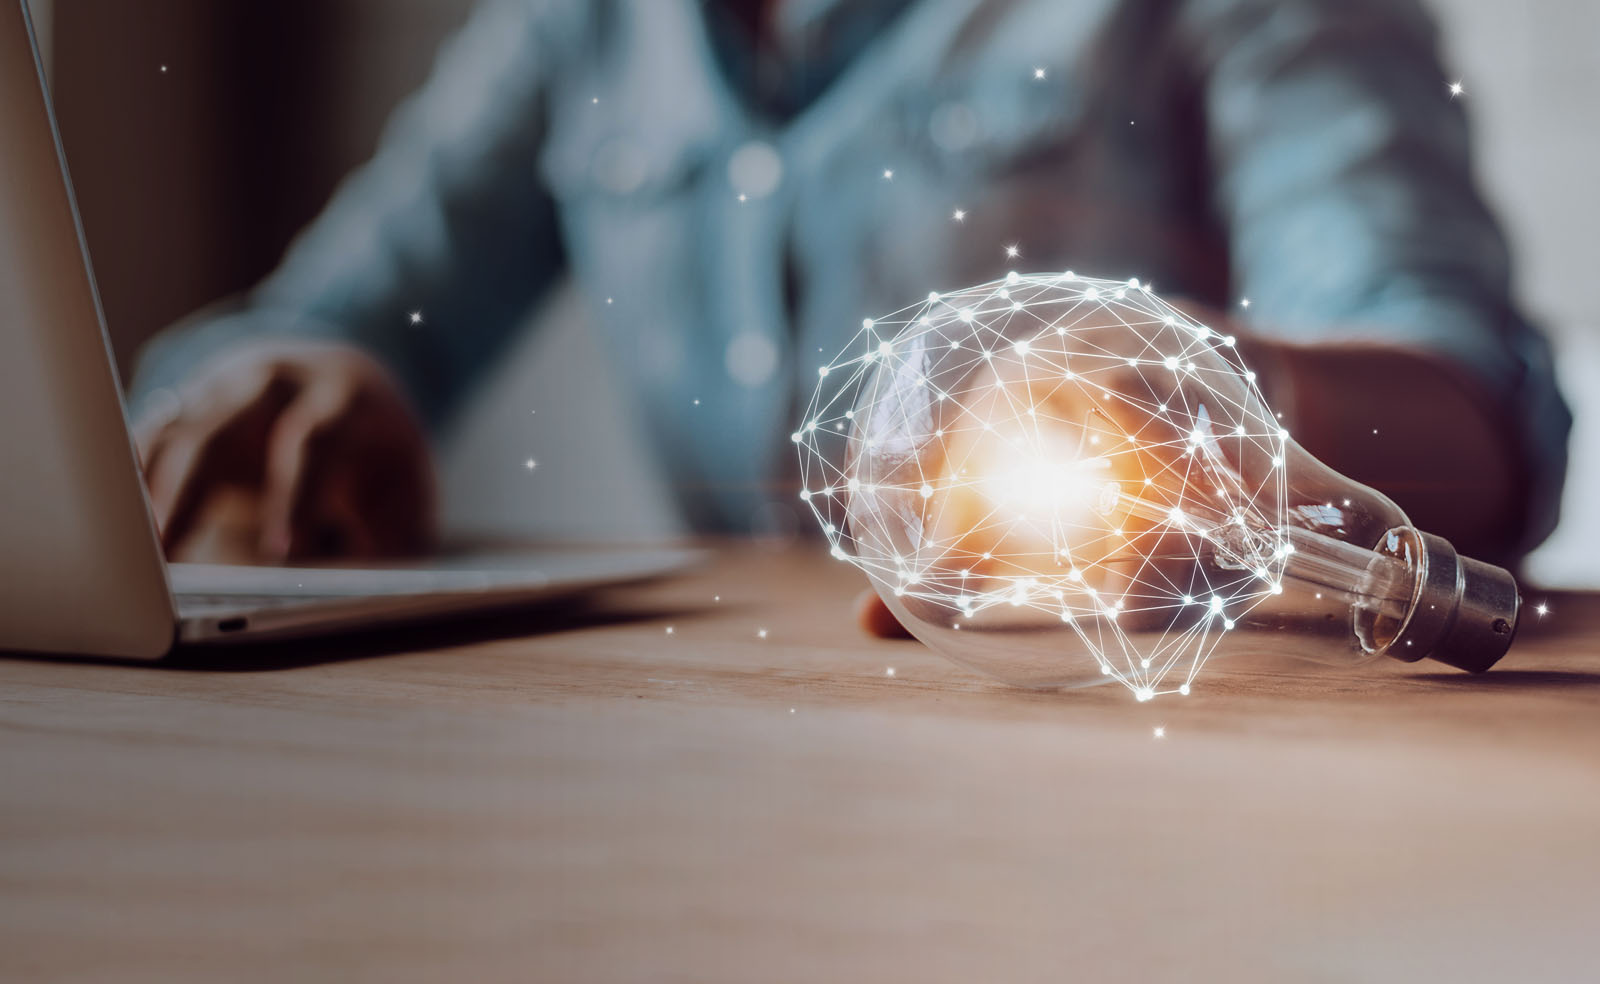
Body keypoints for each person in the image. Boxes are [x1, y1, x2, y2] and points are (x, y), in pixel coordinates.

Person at [129, 0, 1569, 638]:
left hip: (1144, 808)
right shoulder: (588, 22)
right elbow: (323, 323)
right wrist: (305, 379)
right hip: (737, 792)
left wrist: (1222, 400)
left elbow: (1482, 417)